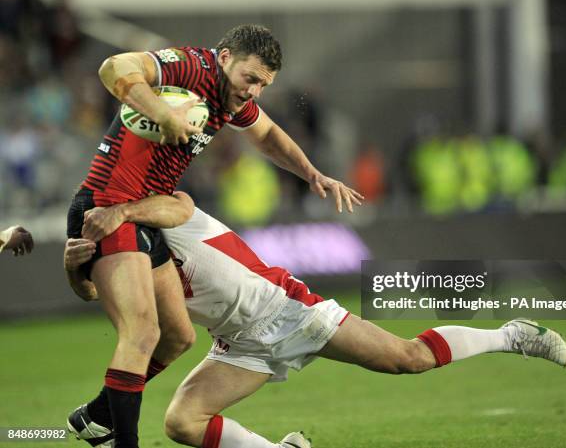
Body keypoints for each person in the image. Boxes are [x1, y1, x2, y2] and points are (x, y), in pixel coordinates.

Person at [65, 193, 566, 448]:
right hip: (237, 344)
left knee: (408, 359)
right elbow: (96, 293)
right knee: (181, 422)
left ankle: (513, 334)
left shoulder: (160, 212)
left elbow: (183, 206)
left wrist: (125, 211)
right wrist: (76, 269)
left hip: (289, 311)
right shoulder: (124, 255)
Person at [66, 24, 363, 448]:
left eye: (264, 84)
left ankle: (97, 415)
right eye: (251, 79)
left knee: (178, 337)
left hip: (145, 214)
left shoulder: (231, 97)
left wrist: (312, 174)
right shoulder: (192, 67)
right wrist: (163, 113)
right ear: (225, 58)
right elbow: (114, 66)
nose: (255, 91)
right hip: (108, 206)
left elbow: (268, 135)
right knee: (142, 334)